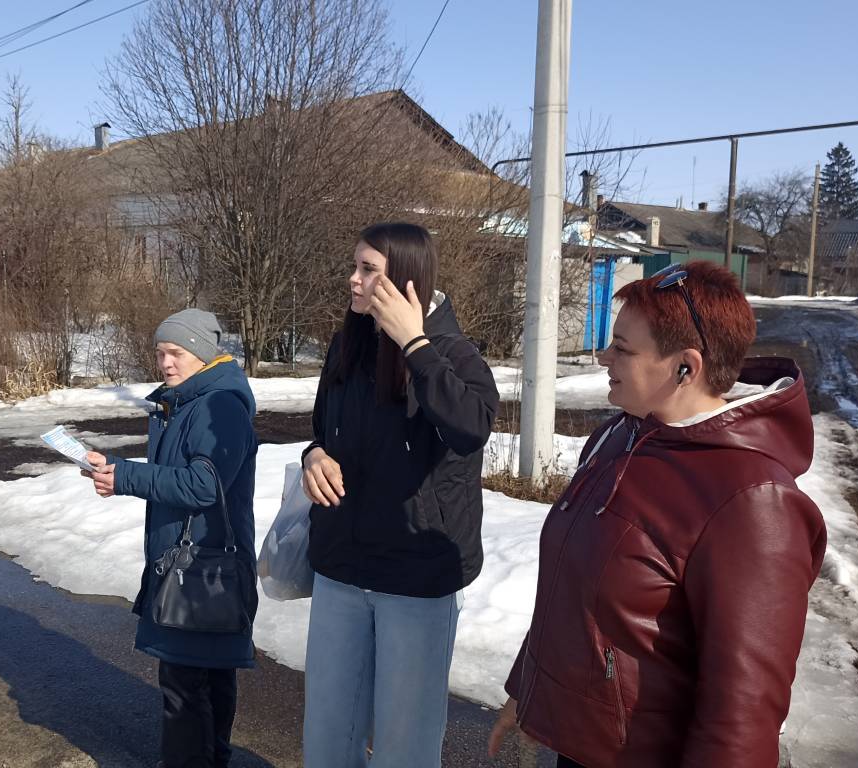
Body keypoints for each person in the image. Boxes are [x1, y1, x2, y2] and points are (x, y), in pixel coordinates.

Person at [487, 261, 828, 768]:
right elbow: (570, 591)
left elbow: (743, 709)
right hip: (582, 748)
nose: (603, 358)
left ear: (685, 367)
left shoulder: (752, 500)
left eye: (622, 349)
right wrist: (526, 691)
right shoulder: (618, 437)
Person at [299, 222, 499, 767]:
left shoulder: (453, 354)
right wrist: (314, 457)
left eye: (368, 270)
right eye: (355, 266)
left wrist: (415, 344)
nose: (353, 279)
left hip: (415, 579)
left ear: (406, 279)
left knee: (403, 748)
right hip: (341, 567)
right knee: (327, 738)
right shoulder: (347, 345)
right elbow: (321, 429)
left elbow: (471, 428)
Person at [83, 308, 258, 768]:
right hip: (193, 561)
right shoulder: (185, 402)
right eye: (160, 352)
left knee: (186, 685)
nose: (165, 363)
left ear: (202, 353)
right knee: (206, 677)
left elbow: (204, 485)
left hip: (203, 568)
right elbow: (179, 475)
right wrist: (118, 469)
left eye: (176, 352)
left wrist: (127, 477)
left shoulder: (219, 406)